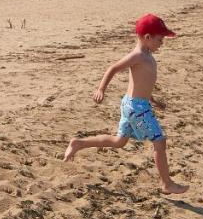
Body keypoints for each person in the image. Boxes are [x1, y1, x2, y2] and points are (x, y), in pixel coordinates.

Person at [63, 13, 189, 194]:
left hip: (134, 104)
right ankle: (166, 183)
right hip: (136, 108)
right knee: (159, 142)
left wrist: (152, 100)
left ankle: (78, 143)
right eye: (160, 40)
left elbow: (140, 83)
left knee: (118, 141)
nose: (162, 43)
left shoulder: (146, 54)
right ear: (147, 38)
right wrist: (101, 89)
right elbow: (113, 68)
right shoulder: (138, 55)